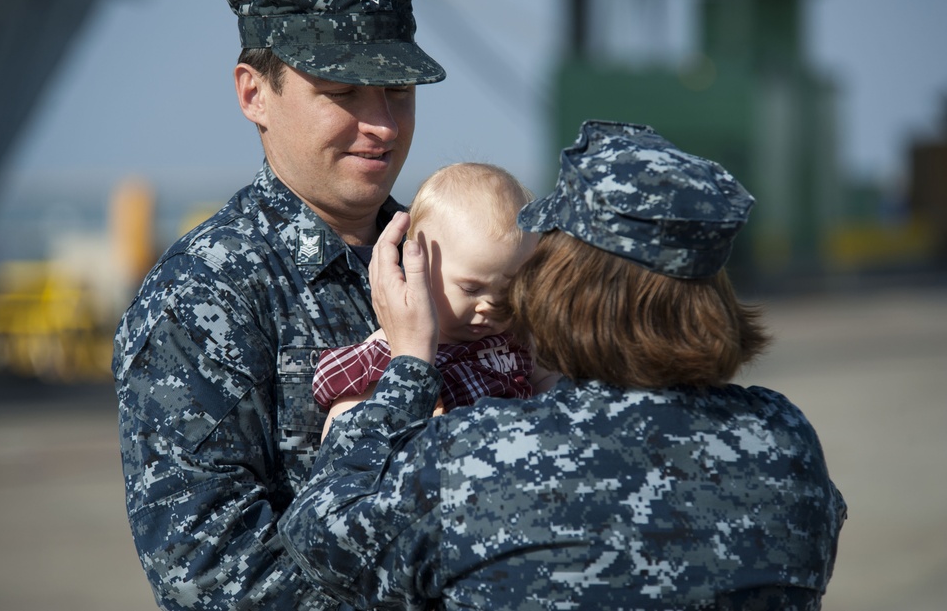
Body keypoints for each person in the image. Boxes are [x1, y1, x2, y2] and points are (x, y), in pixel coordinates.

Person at [279, 120, 848, 610]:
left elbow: (321, 538)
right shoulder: (785, 440)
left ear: (567, 283)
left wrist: (405, 368)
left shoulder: (478, 454)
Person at [111, 0, 445, 610]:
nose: (380, 123)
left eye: (398, 92)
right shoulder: (204, 297)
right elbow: (213, 582)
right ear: (253, 93)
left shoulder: (449, 263)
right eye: (342, 92)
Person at [313, 162, 557, 437]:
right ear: (420, 268)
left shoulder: (516, 338)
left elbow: (552, 384)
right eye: (471, 288)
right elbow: (339, 435)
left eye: (508, 291)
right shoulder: (390, 349)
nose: (490, 306)